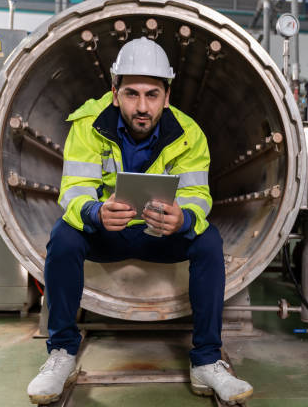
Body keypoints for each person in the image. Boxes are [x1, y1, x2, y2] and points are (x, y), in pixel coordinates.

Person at [27, 37, 253, 405]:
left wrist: (183, 219)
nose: (142, 107)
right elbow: (73, 190)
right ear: (115, 94)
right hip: (108, 232)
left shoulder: (189, 134)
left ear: (167, 96)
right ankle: (62, 354)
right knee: (64, 237)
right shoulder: (88, 125)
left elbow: (199, 196)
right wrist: (95, 213)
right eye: (132, 94)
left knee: (207, 240)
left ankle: (207, 360)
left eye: (152, 95)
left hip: (159, 234)